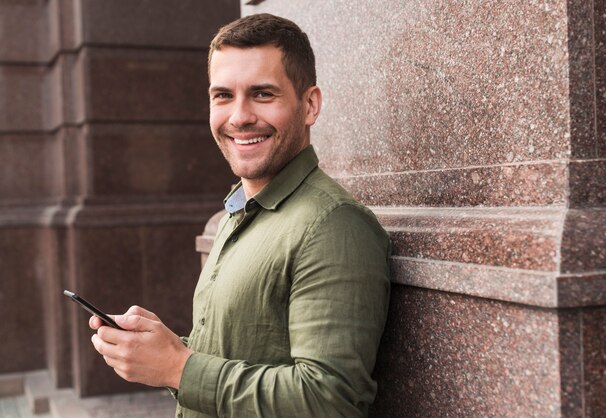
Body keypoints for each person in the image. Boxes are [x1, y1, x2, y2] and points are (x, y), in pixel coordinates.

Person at [89, 13, 390, 418]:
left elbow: (329, 400)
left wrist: (179, 368)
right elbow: (240, 353)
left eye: (263, 94)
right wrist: (162, 352)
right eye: (223, 95)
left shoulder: (333, 225)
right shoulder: (241, 208)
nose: (239, 116)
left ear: (310, 105)